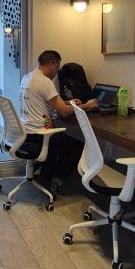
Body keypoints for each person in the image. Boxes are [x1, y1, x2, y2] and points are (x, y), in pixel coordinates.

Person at [19, 50, 99, 191]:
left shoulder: (28, 77)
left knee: (62, 139)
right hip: (39, 133)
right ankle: (48, 174)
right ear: (51, 64)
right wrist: (87, 105)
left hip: (27, 131)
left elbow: (47, 102)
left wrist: (67, 103)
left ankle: (44, 170)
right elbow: (64, 112)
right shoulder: (45, 81)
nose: (57, 72)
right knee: (78, 147)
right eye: (57, 67)